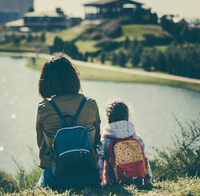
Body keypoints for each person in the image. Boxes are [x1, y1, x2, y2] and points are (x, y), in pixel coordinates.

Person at [36, 53, 101, 190]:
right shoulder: (90, 104)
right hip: (89, 175)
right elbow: (96, 141)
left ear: (46, 81)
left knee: (38, 185)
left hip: (56, 177)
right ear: (74, 78)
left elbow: (41, 144)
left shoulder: (44, 108)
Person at [99, 100, 153, 187]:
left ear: (108, 118)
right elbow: (145, 160)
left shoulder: (104, 141)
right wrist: (148, 181)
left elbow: (100, 164)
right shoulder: (137, 138)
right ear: (127, 117)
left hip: (113, 182)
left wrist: (100, 184)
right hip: (137, 180)